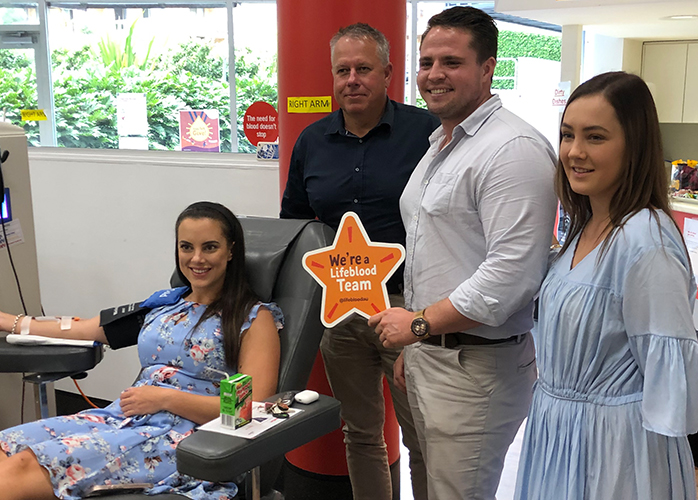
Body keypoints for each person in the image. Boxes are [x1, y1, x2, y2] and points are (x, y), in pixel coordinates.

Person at [0, 201, 283, 500]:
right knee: (1, 446)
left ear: (231, 250)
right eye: (186, 247)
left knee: (27, 463)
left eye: (210, 247)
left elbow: (251, 410)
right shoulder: (164, 305)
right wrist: (6, 321)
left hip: (184, 438)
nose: (196, 259)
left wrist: (166, 399)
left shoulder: (252, 318)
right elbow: (82, 328)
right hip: (122, 419)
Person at [369, 6, 557, 500]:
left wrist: (420, 323)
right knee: (433, 488)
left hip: (477, 370)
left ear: (488, 67)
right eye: (426, 61)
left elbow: (512, 274)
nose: (434, 74)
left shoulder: (512, 149)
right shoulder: (443, 143)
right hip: (435, 355)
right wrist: (420, 343)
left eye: (451, 61)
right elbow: (433, 249)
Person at [514, 72, 698, 499]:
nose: (574, 152)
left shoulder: (644, 239)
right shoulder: (586, 227)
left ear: (633, 146)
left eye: (595, 137)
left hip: (615, 452)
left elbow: (672, 371)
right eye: (567, 135)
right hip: (558, 433)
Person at [280, 21, 438, 500]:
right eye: (342, 70)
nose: (352, 79)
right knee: (362, 433)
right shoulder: (311, 140)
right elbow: (295, 223)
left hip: (409, 308)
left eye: (363, 69)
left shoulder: (427, 133)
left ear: (388, 73)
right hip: (342, 311)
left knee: (423, 437)